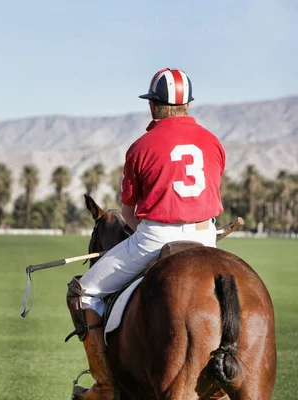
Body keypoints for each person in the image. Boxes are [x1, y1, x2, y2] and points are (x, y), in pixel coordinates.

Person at [67, 68, 226, 400]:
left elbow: (128, 213)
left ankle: (105, 386)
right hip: (206, 236)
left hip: (154, 238)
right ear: (188, 106)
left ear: (153, 106)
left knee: (83, 293)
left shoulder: (141, 146)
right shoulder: (213, 143)